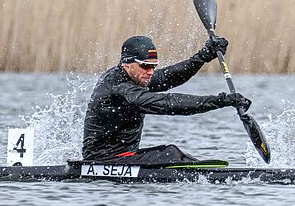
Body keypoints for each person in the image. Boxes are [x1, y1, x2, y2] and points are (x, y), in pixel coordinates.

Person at [82, 34, 249, 163]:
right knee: (170, 153)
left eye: (153, 66)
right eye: (145, 66)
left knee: (171, 153)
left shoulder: (134, 77)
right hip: (104, 161)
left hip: (125, 158)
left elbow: (168, 77)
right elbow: (168, 104)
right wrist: (220, 101)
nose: (151, 72)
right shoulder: (120, 87)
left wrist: (203, 56)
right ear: (127, 63)